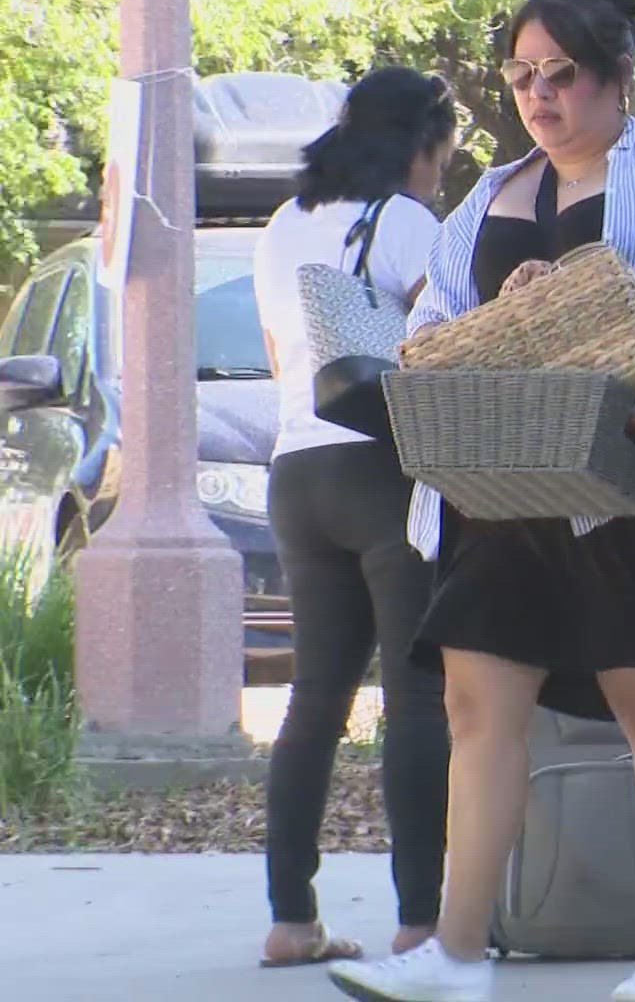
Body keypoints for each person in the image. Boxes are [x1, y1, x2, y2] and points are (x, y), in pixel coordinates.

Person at [324, 0, 635, 1002]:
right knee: (478, 707)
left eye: (564, 73)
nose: (540, 95)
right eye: (523, 74)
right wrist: (487, 319)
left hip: (634, 478)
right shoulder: (493, 192)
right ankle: (453, 950)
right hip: (501, 489)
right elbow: (432, 327)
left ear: (617, 74)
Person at [251, 66, 455, 968]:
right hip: (384, 472)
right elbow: (454, 342)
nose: (443, 168)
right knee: (415, 699)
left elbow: (277, 354)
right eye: (442, 150)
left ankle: (291, 920)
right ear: (421, 142)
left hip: (296, 473)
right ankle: (421, 920)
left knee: (313, 701)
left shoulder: (280, 227)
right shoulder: (410, 223)